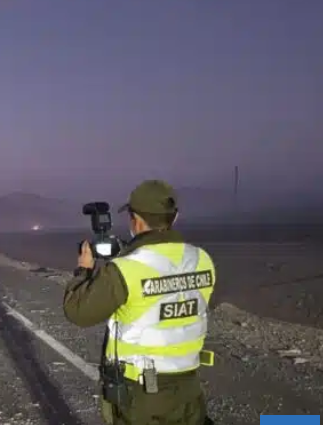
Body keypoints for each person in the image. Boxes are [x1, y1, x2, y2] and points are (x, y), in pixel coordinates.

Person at [63, 179, 217, 425]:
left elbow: (78, 311)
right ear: (174, 218)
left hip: (142, 394)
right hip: (188, 387)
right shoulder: (202, 259)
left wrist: (84, 270)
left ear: (135, 219)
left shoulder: (126, 269)